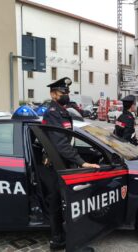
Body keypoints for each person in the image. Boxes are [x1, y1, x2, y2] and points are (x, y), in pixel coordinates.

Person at [40, 77, 99, 250]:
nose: (66, 95)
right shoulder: (52, 112)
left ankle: (59, 239)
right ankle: (70, 244)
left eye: (67, 92)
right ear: (53, 94)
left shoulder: (62, 111)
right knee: (64, 203)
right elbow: (61, 144)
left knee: (62, 203)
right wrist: (82, 163)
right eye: (62, 92)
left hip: (62, 164)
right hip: (57, 165)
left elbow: (69, 140)